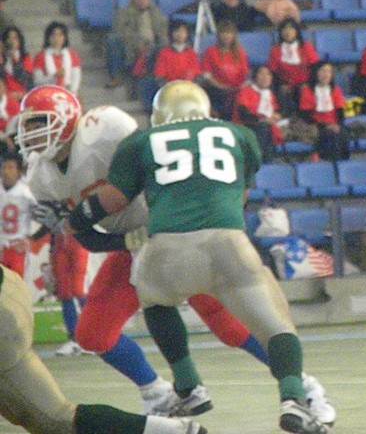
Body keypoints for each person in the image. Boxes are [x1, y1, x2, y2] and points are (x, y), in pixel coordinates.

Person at [19, 85, 336, 423]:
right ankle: (159, 393)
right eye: (28, 125)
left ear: (67, 116)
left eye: (39, 123)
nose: (31, 133)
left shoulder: (104, 129)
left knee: (228, 325)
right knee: (92, 334)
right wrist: (122, 241)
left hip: (173, 231)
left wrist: (84, 221)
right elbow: (87, 238)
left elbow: (152, 167)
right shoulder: (40, 176)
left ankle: (303, 387)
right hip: (133, 244)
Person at [0, 264, 209, 434]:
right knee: (54, 419)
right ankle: (172, 426)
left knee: (55, 420)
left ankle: (165, 401)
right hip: (8, 292)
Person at [108, 0, 169, 91]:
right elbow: (120, 31)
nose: (142, 0)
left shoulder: (156, 12)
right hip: (131, 47)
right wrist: (138, 43)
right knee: (113, 39)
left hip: (153, 46)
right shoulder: (123, 12)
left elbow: (162, 31)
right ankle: (116, 77)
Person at [267, 17, 319, 115]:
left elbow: (315, 68)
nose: (287, 32)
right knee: (282, 92)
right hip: (285, 85)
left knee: (305, 92)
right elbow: (273, 73)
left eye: (291, 28)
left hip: (305, 83)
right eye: (284, 29)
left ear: (296, 31)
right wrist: (282, 84)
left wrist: (307, 83)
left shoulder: (306, 47)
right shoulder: (275, 50)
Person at [298, 61, 350, 162]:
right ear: (316, 73)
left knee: (343, 134)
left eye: (329, 71)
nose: (326, 74)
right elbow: (306, 116)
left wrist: (337, 125)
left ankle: (343, 164)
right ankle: (331, 164)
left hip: (334, 125)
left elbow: (340, 113)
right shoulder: (307, 91)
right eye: (323, 71)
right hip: (316, 126)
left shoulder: (336, 90)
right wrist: (325, 126)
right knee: (330, 136)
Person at [233, 64, 284, 162]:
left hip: (266, 126)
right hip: (246, 126)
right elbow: (243, 114)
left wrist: (277, 116)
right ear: (255, 76)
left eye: (268, 74)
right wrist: (263, 120)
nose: (265, 77)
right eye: (262, 74)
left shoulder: (269, 94)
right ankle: (260, 161)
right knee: (264, 128)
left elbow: (276, 110)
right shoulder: (245, 91)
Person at [200, 20, 250, 120]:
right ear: (218, 35)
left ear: (234, 35)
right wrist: (220, 86)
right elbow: (206, 75)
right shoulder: (210, 51)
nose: (226, 36)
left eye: (229, 33)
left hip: (236, 89)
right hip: (216, 88)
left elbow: (245, 73)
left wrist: (240, 87)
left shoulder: (240, 52)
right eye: (223, 32)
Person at [0, 154, 35, 278]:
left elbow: (43, 219)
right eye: (4, 167)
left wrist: (31, 239)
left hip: (17, 249)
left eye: (10, 167)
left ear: (19, 172)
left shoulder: (28, 192)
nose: (6, 171)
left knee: (16, 284)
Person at [32, 21, 81, 94]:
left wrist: (71, 94)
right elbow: (37, 81)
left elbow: (75, 78)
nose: (56, 38)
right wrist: (54, 76)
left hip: (69, 93)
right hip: (47, 93)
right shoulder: (40, 56)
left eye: (60, 35)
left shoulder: (72, 55)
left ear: (65, 38)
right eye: (53, 35)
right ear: (48, 38)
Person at [153, 20, 202, 85]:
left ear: (187, 34)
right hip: (169, 87)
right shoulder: (164, 52)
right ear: (171, 33)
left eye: (183, 32)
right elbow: (159, 77)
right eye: (177, 31)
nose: (180, 34)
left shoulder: (191, 53)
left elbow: (197, 75)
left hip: (188, 87)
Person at [2, 26, 33, 100]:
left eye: (15, 38)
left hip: (22, 95)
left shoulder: (26, 58)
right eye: (9, 38)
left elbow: (26, 81)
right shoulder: (2, 58)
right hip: (5, 96)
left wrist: (15, 61)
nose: (12, 41)